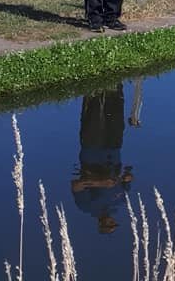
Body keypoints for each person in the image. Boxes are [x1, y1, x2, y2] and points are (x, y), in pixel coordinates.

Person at [71, 84, 133, 235]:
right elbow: (127, 180)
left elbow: (76, 185)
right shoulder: (119, 202)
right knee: (116, 117)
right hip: (114, 150)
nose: (111, 221)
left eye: (108, 225)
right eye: (113, 224)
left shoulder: (87, 206)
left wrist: (100, 182)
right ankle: (115, 86)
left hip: (92, 151)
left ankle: (94, 87)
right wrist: (127, 177)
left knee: (93, 115)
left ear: (100, 224)